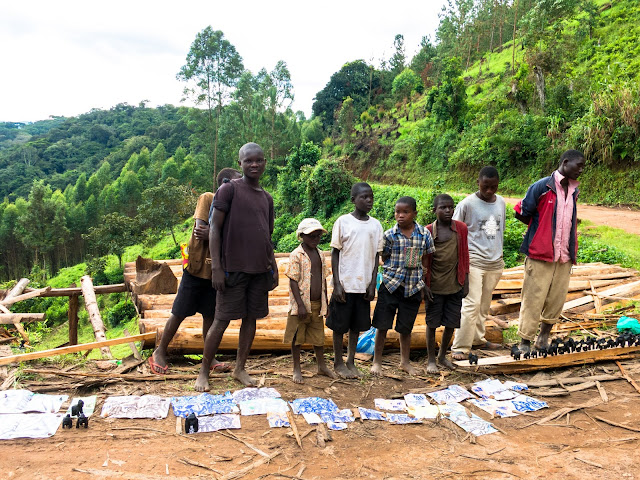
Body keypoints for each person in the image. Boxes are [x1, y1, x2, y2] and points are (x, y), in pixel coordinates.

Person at [194, 142, 278, 390]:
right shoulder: (228, 190)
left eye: (259, 160)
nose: (254, 165)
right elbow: (215, 229)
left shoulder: (267, 198)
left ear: (264, 163)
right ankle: (203, 372)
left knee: (251, 319)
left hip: (259, 270)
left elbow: (267, 237)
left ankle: (240, 368)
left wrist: (272, 267)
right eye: (249, 161)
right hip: (233, 270)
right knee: (221, 320)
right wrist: (218, 267)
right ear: (240, 163)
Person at [148, 167, 241, 375]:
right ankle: (159, 352)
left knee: (211, 315)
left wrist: (216, 233)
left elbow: (225, 236)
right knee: (179, 312)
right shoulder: (208, 198)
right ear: (225, 183)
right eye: (236, 183)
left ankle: (209, 357)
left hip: (216, 273)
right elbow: (201, 231)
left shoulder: (235, 210)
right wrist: (220, 235)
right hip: (197, 269)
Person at [514, 149, 585, 354]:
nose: (581, 170)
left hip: (564, 255)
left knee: (556, 299)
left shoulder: (574, 191)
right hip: (540, 254)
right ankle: (525, 341)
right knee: (533, 298)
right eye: (578, 165)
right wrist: (540, 231)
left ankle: (543, 336)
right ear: (565, 162)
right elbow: (522, 211)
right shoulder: (541, 187)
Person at [370, 196, 435, 376]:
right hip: (391, 284)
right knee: (382, 325)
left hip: (413, 286)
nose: (400, 215)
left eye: (405, 212)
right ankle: (377, 361)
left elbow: (426, 257)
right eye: (398, 212)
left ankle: (404, 362)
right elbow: (384, 256)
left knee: (405, 327)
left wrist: (423, 278)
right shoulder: (390, 235)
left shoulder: (424, 234)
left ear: (414, 213)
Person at [327, 182, 383, 379]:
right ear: (353, 200)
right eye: (364, 197)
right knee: (338, 325)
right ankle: (338, 362)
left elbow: (376, 256)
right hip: (345, 283)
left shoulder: (376, 225)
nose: (368, 201)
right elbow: (335, 253)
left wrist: (372, 283)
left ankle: (350, 360)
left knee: (356, 326)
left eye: (371, 197)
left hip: (363, 285)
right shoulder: (343, 222)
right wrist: (337, 283)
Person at [451, 166, 506, 360]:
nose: (489, 191)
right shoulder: (467, 204)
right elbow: (454, 231)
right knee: (471, 304)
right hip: (473, 261)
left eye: (493, 187)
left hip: (495, 262)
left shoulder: (501, 203)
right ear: (478, 182)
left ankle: (478, 339)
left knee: (483, 305)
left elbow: (500, 231)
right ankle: (460, 346)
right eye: (485, 187)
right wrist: (459, 263)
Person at [284, 218, 336, 383]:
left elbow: (323, 280)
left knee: (318, 336)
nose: (315, 239)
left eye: (318, 236)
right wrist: (299, 304)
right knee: (297, 337)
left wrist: (325, 303)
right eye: (311, 236)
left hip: (317, 303)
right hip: (301, 304)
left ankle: (322, 366)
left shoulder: (320, 254)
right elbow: (293, 280)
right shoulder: (296, 255)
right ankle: (296, 368)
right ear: (302, 236)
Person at [424, 194, 469, 374]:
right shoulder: (427, 231)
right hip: (434, 286)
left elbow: (465, 254)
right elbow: (424, 261)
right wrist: (424, 285)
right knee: (432, 323)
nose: (448, 210)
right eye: (443, 207)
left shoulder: (461, 229)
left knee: (451, 322)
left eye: (451, 207)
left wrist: (466, 280)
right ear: (434, 210)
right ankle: (430, 360)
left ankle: (443, 356)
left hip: (454, 284)